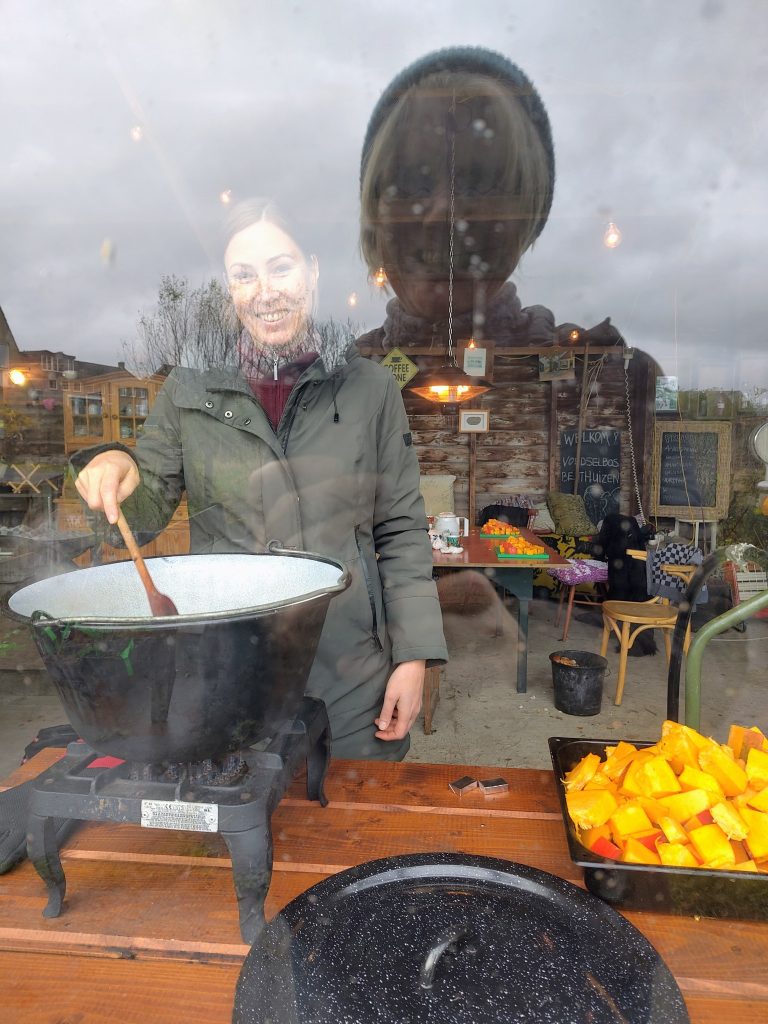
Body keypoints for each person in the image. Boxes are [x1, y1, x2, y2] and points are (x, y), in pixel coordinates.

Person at [73, 199, 447, 761]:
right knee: (234, 808)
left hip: (349, 676)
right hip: (223, 676)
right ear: (229, 289)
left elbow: (401, 530)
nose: (265, 292)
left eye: (281, 267)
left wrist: (413, 656)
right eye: (243, 275)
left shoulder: (369, 388)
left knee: (349, 811)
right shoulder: (188, 389)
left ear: (312, 271)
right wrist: (109, 468)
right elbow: (141, 513)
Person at [358, 46, 557, 353]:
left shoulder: (601, 369)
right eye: (412, 181)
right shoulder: (340, 381)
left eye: (480, 181)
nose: (444, 214)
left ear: (529, 216)